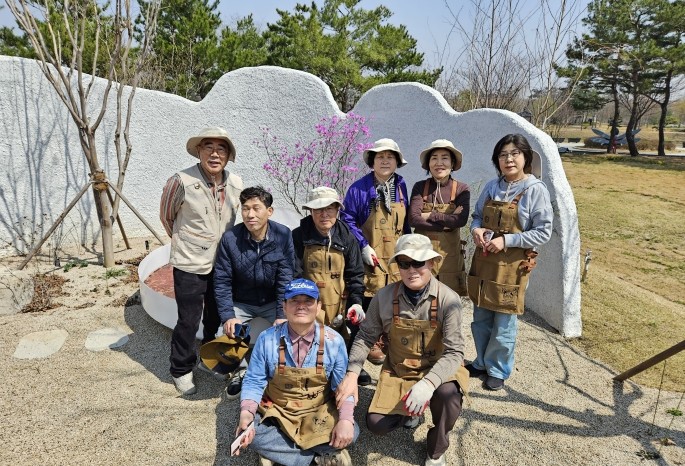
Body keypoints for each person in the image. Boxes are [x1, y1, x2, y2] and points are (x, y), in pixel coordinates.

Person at [335, 234, 469, 466]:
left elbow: (455, 352)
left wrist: (428, 384)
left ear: (431, 263)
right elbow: (365, 337)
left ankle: (436, 449)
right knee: (376, 424)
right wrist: (352, 373)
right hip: (400, 370)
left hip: (437, 369)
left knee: (449, 397)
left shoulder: (449, 300)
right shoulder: (384, 297)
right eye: (404, 263)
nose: (411, 270)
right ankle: (411, 411)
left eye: (418, 262)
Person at [233, 279, 359, 466]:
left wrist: (346, 420)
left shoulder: (334, 341)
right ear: (284, 307)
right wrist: (246, 414)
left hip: (318, 411)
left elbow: (343, 388)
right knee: (252, 434)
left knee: (352, 431)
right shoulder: (267, 339)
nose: (301, 306)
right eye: (294, 300)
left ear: (318, 306)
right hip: (278, 411)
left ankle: (282, 454)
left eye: (308, 301)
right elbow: (253, 381)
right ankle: (319, 456)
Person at [160, 127, 243, 396]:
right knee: (189, 319)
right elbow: (167, 218)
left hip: (223, 263)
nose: (215, 154)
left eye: (221, 149)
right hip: (190, 262)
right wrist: (189, 243)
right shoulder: (181, 181)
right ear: (199, 151)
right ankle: (181, 368)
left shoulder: (236, 183)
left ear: (228, 155)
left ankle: (209, 359)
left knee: (216, 316)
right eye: (209, 147)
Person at [466, 133, 553, 391]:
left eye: (515, 153)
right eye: (503, 155)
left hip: (512, 267)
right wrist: (476, 230)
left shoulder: (535, 190)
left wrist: (507, 240)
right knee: (481, 315)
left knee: (504, 321)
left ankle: (498, 369)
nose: (509, 159)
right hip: (484, 262)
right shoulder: (492, 186)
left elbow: (543, 232)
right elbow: (477, 216)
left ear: (525, 157)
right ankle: (481, 361)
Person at [214, 185, 295, 399]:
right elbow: (222, 280)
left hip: (271, 301)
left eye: (256, 208)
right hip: (242, 301)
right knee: (225, 334)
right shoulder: (230, 238)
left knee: (294, 328)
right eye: (245, 208)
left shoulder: (283, 235)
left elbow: (285, 277)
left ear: (269, 211)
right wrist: (228, 316)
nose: (250, 214)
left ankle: (280, 372)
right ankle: (240, 371)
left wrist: (282, 313)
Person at [340, 138, 411, 365]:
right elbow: (347, 219)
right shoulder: (359, 188)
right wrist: (362, 245)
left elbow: (405, 222)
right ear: (372, 161)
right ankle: (359, 355)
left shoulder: (401, 186)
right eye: (380, 156)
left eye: (390, 157)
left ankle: (387, 343)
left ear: (397, 162)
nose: (385, 161)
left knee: (395, 304)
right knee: (366, 306)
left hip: (395, 257)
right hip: (369, 257)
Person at [292, 186, 372, 386]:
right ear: (311, 211)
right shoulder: (298, 236)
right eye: (318, 209)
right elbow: (294, 274)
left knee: (352, 332)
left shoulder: (348, 238)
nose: (324, 214)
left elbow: (356, 274)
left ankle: (351, 366)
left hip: (340, 302)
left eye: (329, 208)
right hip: (310, 301)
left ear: (337, 210)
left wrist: (356, 302)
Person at [409, 139, 470, 295]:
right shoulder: (420, 187)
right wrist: (447, 223)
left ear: (452, 163)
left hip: (450, 257)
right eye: (434, 158)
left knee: (449, 299)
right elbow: (413, 219)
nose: (439, 163)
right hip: (421, 256)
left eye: (444, 158)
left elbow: (461, 220)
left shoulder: (462, 189)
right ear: (428, 163)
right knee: (420, 298)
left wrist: (430, 215)